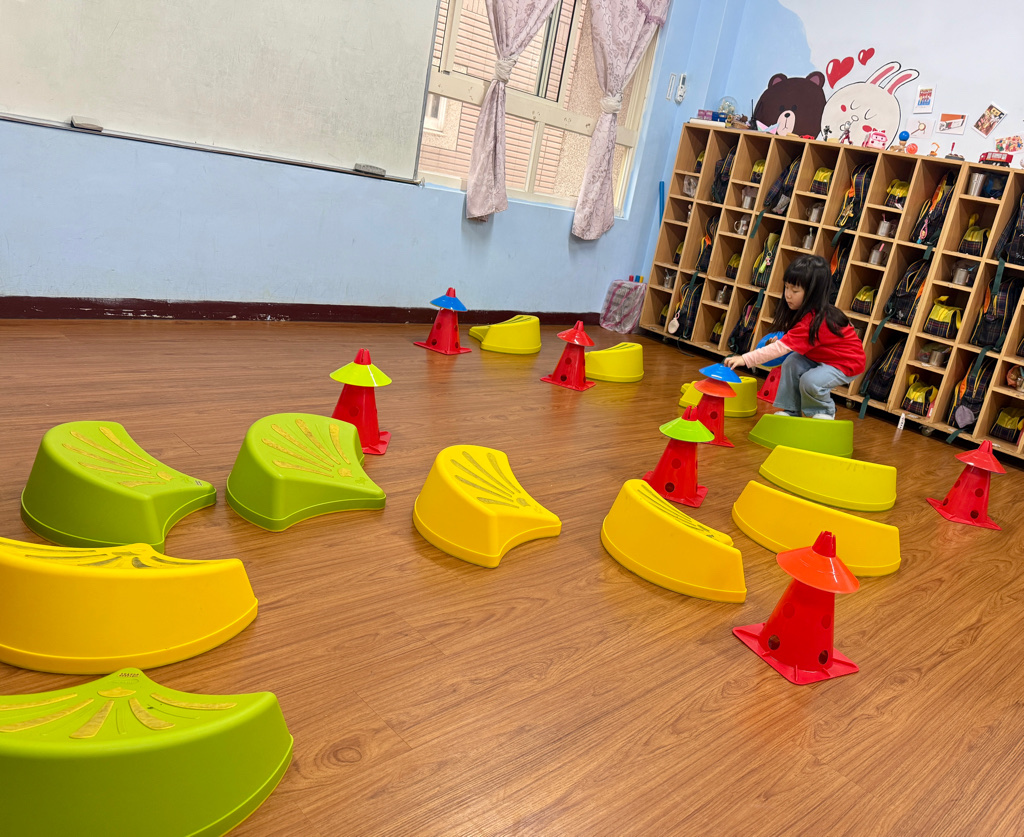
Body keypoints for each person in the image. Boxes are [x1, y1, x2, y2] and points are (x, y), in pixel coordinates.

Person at [724, 254, 865, 418]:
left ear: (813, 293)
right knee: (791, 362)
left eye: (795, 290)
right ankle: (791, 411)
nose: (788, 295)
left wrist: (745, 359)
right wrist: (780, 342)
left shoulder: (816, 320)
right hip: (820, 356)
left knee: (810, 381)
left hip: (847, 363)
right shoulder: (802, 313)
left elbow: (782, 347)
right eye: (786, 287)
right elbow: (793, 340)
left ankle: (825, 413)